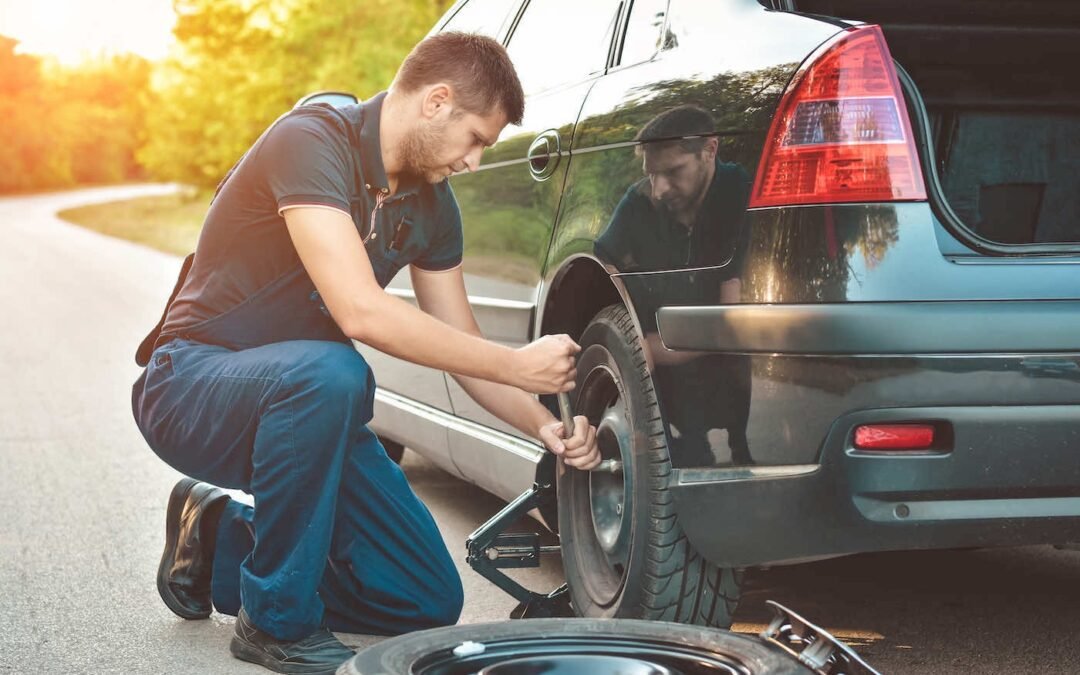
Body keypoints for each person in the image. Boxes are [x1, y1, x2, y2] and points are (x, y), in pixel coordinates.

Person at [131, 32, 600, 674]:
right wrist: (518, 364)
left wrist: (546, 426)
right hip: (191, 384)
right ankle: (274, 621)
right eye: (475, 140)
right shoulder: (311, 141)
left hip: (308, 412)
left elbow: (465, 350)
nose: (473, 163)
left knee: (422, 597)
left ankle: (215, 539)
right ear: (436, 101)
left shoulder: (434, 208)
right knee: (335, 372)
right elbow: (360, 310)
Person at [595, 105, 753, 467]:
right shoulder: (640, 199)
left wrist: (647, 349)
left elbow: (729, 323)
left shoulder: (738, 192)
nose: (660, 189)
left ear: (710, 150)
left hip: (714, 347)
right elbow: (603, 263)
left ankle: (739, 446)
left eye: (673, 172)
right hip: (662, 335)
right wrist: (629, 328)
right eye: (652, 174)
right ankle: (681, 444)